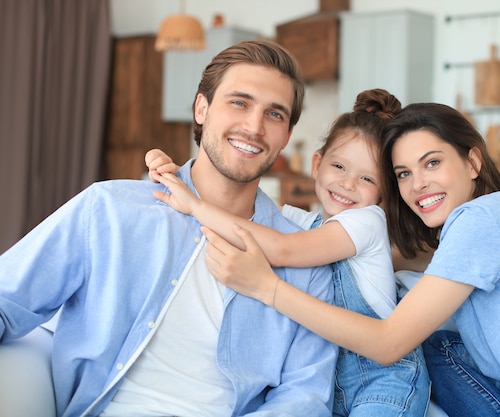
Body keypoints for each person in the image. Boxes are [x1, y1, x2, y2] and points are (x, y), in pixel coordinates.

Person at [199, 102, 500, 417]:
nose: (418, 184)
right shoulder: (456, 240)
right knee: (439, 348)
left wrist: (267, 287)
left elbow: (388, 344)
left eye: (433, 163)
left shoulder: (487, 218)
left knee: (420, 348)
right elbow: (362, 247)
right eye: (403, 174)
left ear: (472, 161)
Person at [0, 39, 338, 417]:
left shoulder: (306, 263)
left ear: (287, 136)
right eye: (239, 102)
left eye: (275, 114)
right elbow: (6, 299)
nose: (254, 127)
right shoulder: (110, 210)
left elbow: (305, 396)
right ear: (201, 108)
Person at [145, 88, 430, 417]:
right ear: (317, 164)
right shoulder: (301, 222)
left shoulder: (365, 223)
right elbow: (244, 214)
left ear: (384, 192)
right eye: (339, 166)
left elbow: (279, 249)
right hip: (328, 386)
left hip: (385, 384)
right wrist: (173, 172)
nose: (347, 183)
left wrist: (194, 205)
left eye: (367, 177)